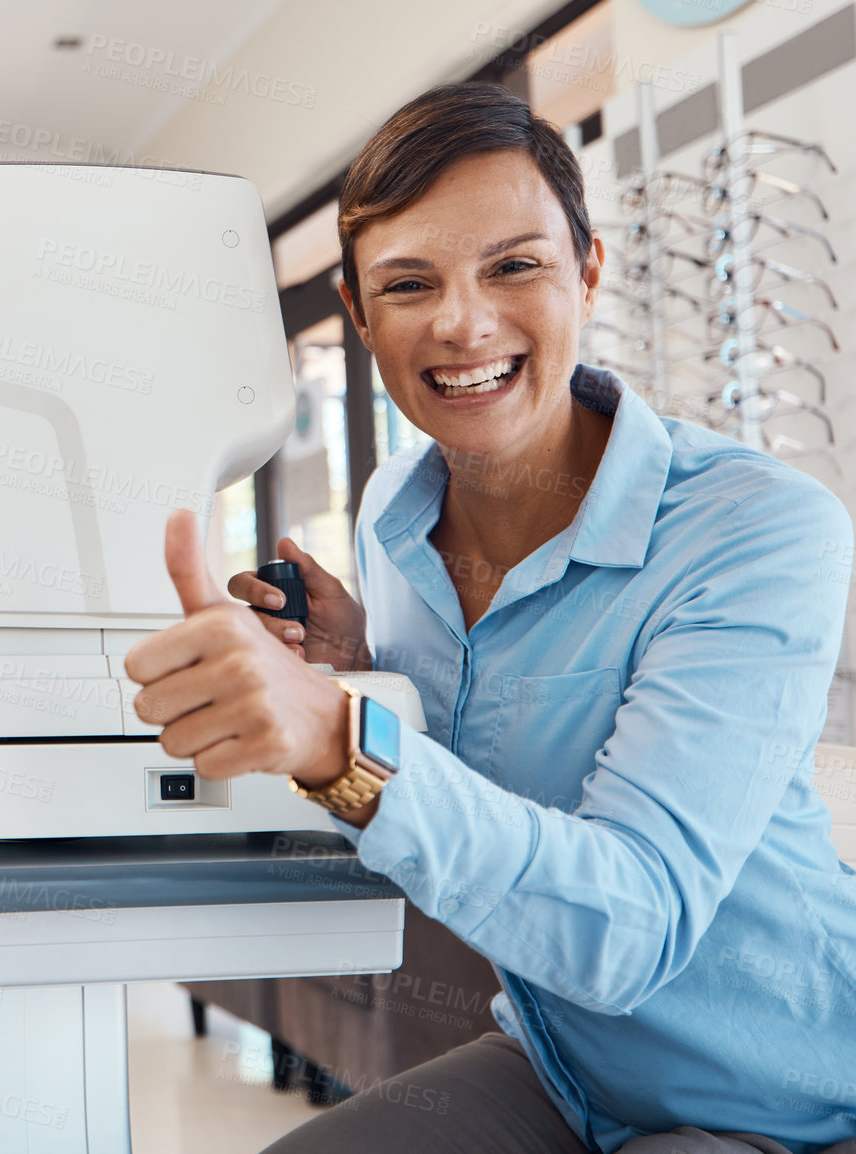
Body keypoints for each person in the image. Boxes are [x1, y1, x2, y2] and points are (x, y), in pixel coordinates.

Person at [124, 83, 856, 1153]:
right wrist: (357, 675)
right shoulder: (392, 515)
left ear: (588, 271)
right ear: (360, 313)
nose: (463, 322)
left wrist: (343, 738)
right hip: (567, 1066)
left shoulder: (755, 526)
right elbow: (460, 759)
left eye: (514, 265)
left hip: (799, 1092)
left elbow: (633, 921)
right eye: (410, 283)